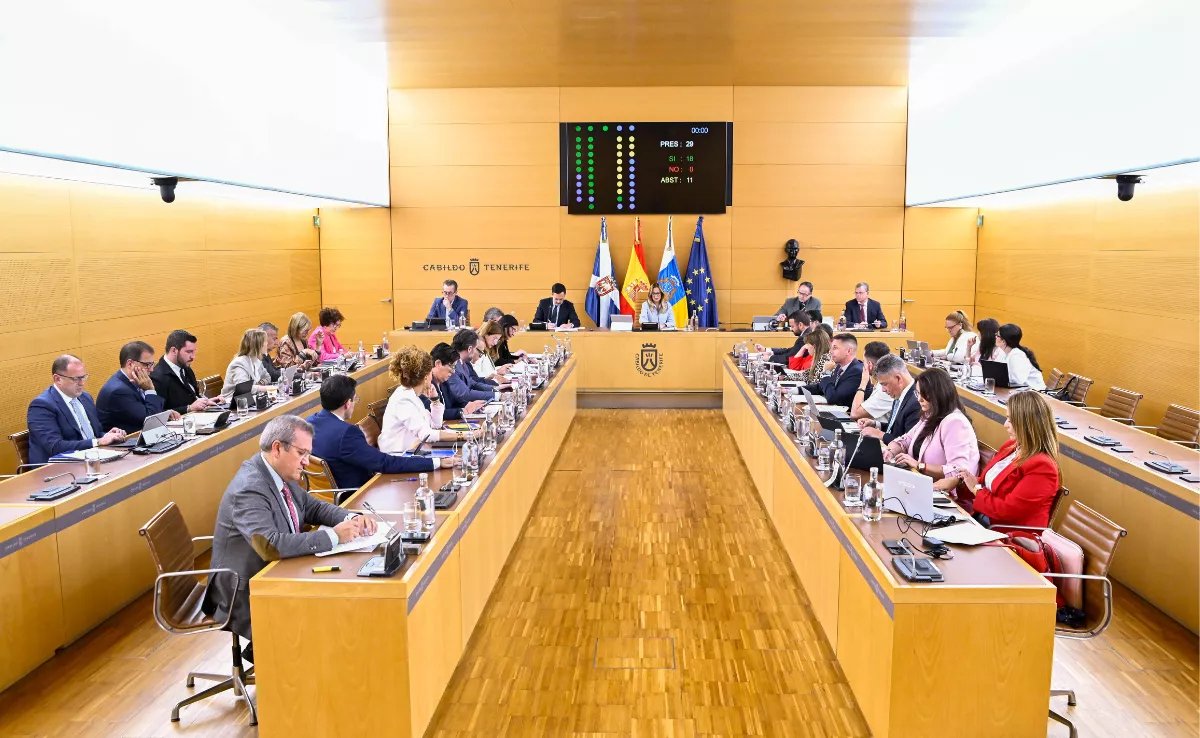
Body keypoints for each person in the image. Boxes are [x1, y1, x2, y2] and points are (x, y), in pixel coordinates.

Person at [201, 415, 375, 655]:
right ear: (277, 448)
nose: (306, 462)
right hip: (243, 589)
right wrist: (333, 537)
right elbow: (270, 546)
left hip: (274, 571)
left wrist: (349, 518)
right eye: (302, 453)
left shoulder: (280, 472)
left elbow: (311, 506)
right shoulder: (249, 488)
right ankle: (279, 664)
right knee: (319, 618)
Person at [306, 374, 437, 489]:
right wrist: (434, 462)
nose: (355, 404)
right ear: (347, 404)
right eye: (355, 399)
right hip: (358, 495)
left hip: (325, 496)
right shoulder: (347, 434)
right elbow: (384, 463)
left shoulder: (309, 422)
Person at [960, 390, 1061, 528]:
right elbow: (985, 483)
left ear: (1027, 424)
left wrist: (975, 489)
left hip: (1008, 537)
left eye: (1010, 420)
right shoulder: (1012, 446)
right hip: (982, 521)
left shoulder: (1043, 467)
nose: (1005, 424)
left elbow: (1006, 511)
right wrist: (960, 482)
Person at [884, 368, 980, 499]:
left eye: (924, 395)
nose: (919, 399)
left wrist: (920, 466)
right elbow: (905, 440)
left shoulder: (955, 422)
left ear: (938, 394)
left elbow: (958, 470)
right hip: (920, 485)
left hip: (947, 497)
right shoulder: (930, 415)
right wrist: (890, 451)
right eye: (917, 393)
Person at [27, 355, 127, 465]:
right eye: (76, 379)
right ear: (57, 379)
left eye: (84, 377)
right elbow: (55, 446)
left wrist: (109, 435)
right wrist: (98, 441)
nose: (82, 383)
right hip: (57, 469)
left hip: (92, 459)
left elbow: (95, 434)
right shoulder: (42, 406)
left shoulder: (85, 397)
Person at [380, 346, 480, 454]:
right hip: (399, 457)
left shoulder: (413, 394)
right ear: (426, 377)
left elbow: (435, 425)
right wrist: (467, 435)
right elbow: (426, 435)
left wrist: (435, 401)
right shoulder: (403, 399)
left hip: (415, 451)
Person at [851, 354, 921, 469]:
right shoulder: (899, 393)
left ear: (898, 378)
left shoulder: (916, 402)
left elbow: (909, 443)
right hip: (888, 451)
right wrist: (876, 424)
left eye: (884, 384)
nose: (883, 390)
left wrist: (880, 434)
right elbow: (897, 427)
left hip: (901, 463)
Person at [97, 340, 176, 434]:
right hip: (122, 444)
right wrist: (150, 390)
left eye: (152, 364)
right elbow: (151, 422)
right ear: (130, 364)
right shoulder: (118, 391)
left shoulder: (134, 381)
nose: (151, 369)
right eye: (147, 365)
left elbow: (144, 410)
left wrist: (165, 414)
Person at [151, 330, 218, 415]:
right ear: (174, 351)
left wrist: (207, 401)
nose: (193, 357)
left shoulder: (185, 367)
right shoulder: (158, 377)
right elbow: (158, 413)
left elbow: (194, 397)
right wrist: (188, 408)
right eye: (189, 352)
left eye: (194, 351)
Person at [429, 342, 487, 421]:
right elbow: (432, 413)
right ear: (438, 364)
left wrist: (470, 405)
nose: (453, 372)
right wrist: (463, 411)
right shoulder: (426, 384)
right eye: (452, 366)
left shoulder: (443, 382)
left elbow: (455, 401)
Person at [802, 333, 863, 406]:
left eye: (835, 348)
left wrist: (826, 373)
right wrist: (794, 390)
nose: (830, 351)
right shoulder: (839, 367)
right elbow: (821, 387)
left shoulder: (857, 372)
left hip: (846, 415)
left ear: (848, 351)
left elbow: (833, 398)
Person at [447, 328, 501, 408]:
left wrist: (494, 390)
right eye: (476, 348)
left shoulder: (463, 363)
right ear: (469, 349)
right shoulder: (452, 366)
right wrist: (496, 396)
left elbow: (473, 384)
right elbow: (465, 394)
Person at [221, 329, 274, 399]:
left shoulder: (255, 360)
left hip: (250, 399)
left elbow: (267, 377)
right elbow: (243, 387)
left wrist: (259, 384)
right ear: (258, 345)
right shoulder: (239, 363)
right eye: (265, 341)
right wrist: (266, 388)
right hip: (232, 403)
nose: (267, 343)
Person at [996, 323, 1046, 390]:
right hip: (1021, 391)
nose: (995, 337)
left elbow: (1019, 380)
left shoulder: (1017, 355)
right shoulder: (1006, 352)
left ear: (1003, 341)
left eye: (997, 335)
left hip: (1034, 394)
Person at [850, 341, 892, 420]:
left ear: (870, 365)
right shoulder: (880, 383)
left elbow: (855, 414)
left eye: (864, 361)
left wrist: (863, 384)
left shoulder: (885, 389)